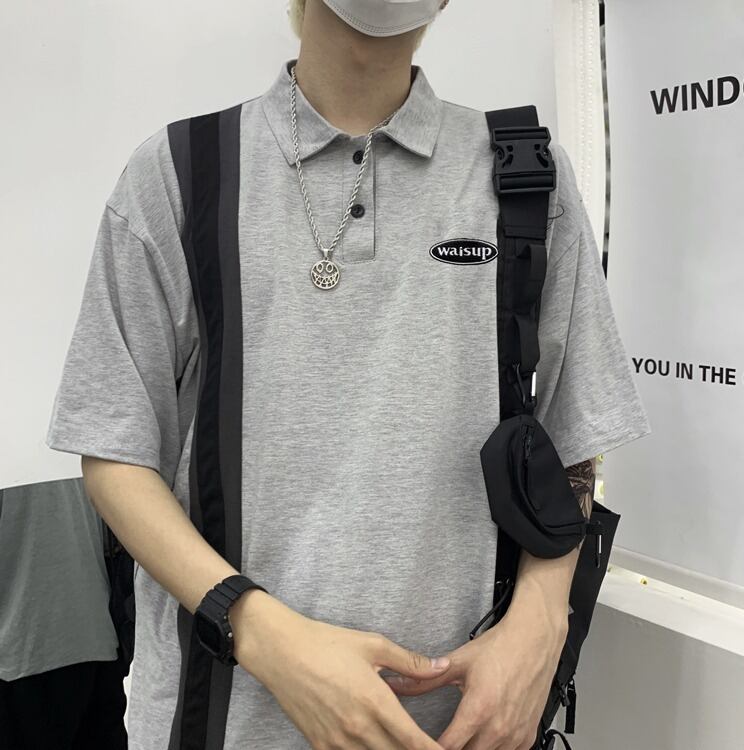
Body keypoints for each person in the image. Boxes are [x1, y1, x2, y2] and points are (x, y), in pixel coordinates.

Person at [45, 0, 651, 748]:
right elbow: (114, 455)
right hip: (219, 722)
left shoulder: (527, 178)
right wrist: (260, 632)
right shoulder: (179, 172)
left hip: (462, 729)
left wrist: (542, 617)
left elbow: (573, 436)